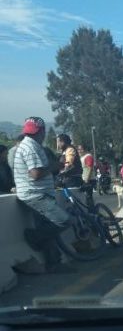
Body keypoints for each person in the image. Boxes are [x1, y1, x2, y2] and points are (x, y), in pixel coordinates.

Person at [13, 117, 74, 273]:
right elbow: (35, 173)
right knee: (64, 221)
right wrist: (55, 166)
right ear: (41, 131)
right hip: (35, 194)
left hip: (37, 193)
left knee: (49, 228)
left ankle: (54, 263)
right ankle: (34, 237)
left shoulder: (31, 145)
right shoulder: (31, 147)